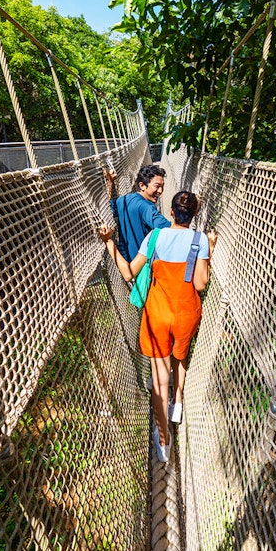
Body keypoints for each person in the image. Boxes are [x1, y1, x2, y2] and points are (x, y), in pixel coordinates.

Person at [98, 191, 218, 463]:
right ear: (195, 214)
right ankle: (178, 402)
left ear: (172, 214)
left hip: (158, 316)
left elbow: (129, 272)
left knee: (159, 380)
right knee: (181, 356)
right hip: (187, 313)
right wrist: (209, 252)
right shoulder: (200, 240)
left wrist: (109, 243)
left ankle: (164, 440)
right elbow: (200, 284)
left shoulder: (155, 237)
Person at [105, 164, 171, 263]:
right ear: (142, 185)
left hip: (125, 263)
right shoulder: (147, 208)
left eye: (162, 187)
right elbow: (170, 229)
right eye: (157, 186)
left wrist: (110, 184)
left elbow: (108, 209)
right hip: (144, 266)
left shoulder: (123, 200)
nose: (160, 191)